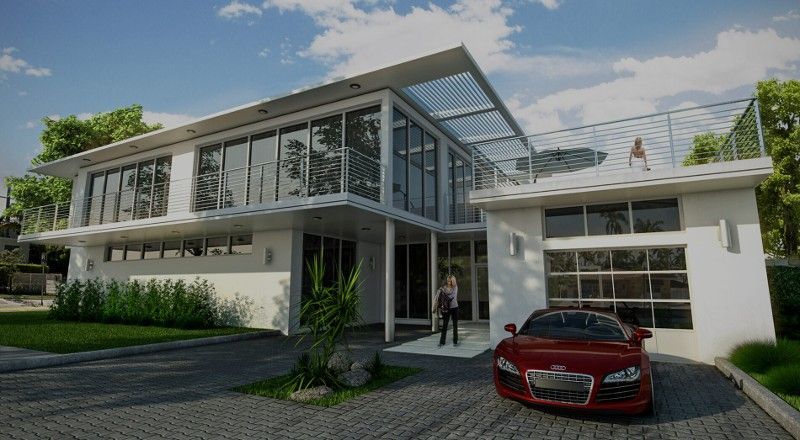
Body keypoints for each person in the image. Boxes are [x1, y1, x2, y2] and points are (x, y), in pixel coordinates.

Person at [435, 275, 459, 347]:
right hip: (446, 308)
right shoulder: (444, 287)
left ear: (453, 281)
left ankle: (455, 341)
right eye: (448, 280)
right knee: (444, 325)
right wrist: (440, 292)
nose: (449, 282)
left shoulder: (455, 287)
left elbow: (452, 297)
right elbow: (440, 297)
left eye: (450, 281)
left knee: (455, 325)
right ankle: (442, 342)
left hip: (454, 308)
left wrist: (444, 294)